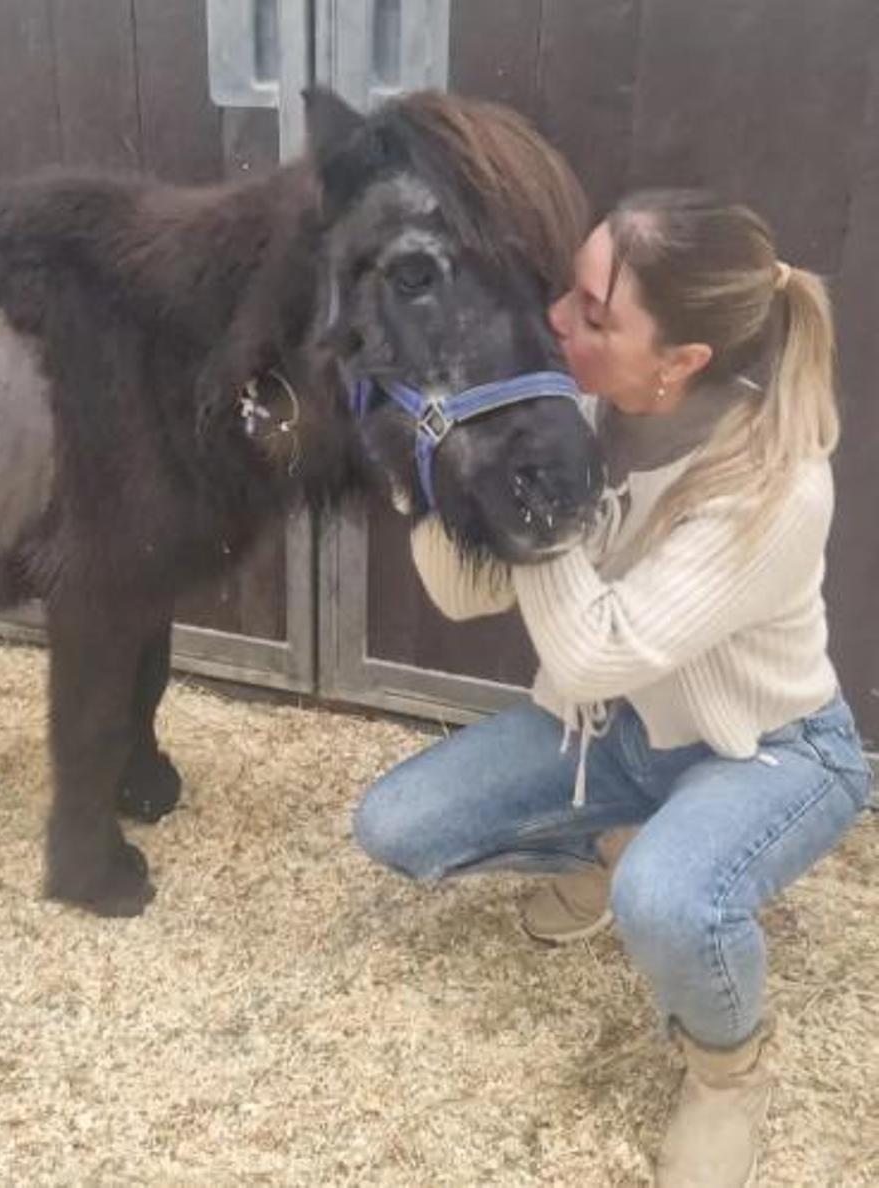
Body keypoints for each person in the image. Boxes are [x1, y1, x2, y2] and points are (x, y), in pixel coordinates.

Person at [353, 189, 872, 1188]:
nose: (557, 321)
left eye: (595, 315)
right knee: (397, 827)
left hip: (767, 751)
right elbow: (464, 592)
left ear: (679, 364)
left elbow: (592, 652)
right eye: (571, 292)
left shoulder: (775, 484)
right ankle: (614, 835)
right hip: (622, 735)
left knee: (668, 903)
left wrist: (534, 494)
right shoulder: (578, 408)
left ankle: (728, 1072)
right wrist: (423, 457)